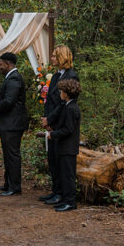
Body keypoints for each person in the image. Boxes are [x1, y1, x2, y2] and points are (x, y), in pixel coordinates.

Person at [39, 45, 79, 203]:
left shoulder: (71, 76)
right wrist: (45, 118)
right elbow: (49, 100)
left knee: (61, 161)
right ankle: (56, 190)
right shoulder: (55, 76)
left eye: (55, 56)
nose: (52, 58)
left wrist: (51, 120)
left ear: (62, 57)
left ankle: (62, 194)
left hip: (60, 122)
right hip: (51, 122)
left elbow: (64, 103)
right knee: (53, 160)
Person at [0, 52, 27, 196]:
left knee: (12, 155)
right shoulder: (10, 77)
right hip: (8, 123)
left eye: (1, 64)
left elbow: (9, 101)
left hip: (12, 124)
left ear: (8, 64)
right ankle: (8, 183)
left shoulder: (14, 79)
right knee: (8, 155)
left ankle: (15, 187)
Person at [46, 79, 82, 212]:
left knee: (68, 176)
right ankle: (65, 199)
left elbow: (68, 129)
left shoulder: (72, 108)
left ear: (67, 93)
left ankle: (71, 202)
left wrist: (54, 134)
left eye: (61, 91)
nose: (60, 93)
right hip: (63, 147)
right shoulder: (67, 106)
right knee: (63, 174)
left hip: (68, 147)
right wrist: (53, 128)